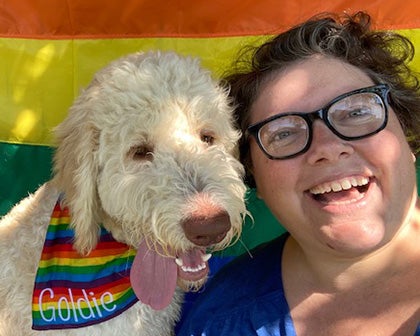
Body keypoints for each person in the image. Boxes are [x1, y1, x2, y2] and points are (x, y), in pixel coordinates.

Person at [176, 11, 420, 336]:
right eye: (283, 133)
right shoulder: (215, 322)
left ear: (406, 135)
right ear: (253, 177)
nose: (327, 147)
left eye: (357, 111)